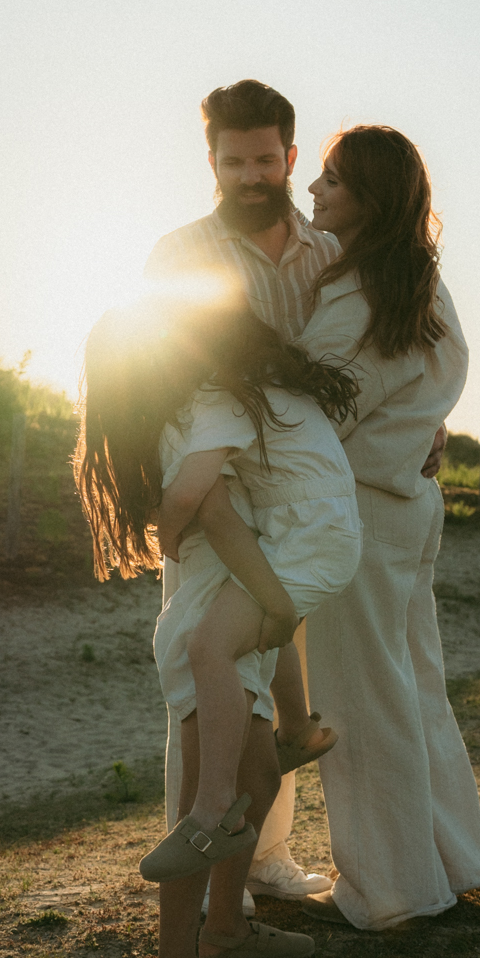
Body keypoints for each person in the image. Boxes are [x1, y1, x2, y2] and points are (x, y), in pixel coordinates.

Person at [76, 289, 362, 958]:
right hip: (211, 625)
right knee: (203, 815)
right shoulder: (189, 426)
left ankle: (227, 928)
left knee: (257, 778)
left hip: (230, 622)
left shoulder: (196, 416)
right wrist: (278, 604)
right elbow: (220, 518)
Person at [144, 79, 345, 903]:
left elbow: (364, 354)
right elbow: (159, 372)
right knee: (208, 686)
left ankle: (264, 860)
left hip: (296, 494)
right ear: (212, 162)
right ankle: (197, 878)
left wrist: (429, 422)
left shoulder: (329, 253)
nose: (251, 176)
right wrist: (185, 500)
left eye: (266, 160)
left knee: (278, 667)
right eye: (235, 162)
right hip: (215, 488)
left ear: (290, 157)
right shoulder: (178, 254)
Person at [297, 125, 480, 930]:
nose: (313, 191)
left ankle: (391, 891)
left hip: (362, 515)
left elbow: (318, 409)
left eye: (332, 180)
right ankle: (450, 859)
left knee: (360, 699)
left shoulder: (361, 293)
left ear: (371, 199)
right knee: (414, 687)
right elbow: (427, 385)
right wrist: (423, 431)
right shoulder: (421, 284)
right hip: (408, 506)